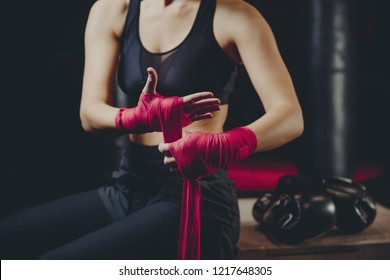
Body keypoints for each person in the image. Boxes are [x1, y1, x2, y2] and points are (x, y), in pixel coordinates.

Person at [0, 0, 303, 260]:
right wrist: (136, 117)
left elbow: (290, 117)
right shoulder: (112, 9)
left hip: (195, 194)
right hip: (128, 185)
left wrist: (224, 144)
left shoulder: (234, 15)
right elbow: (89, 114)